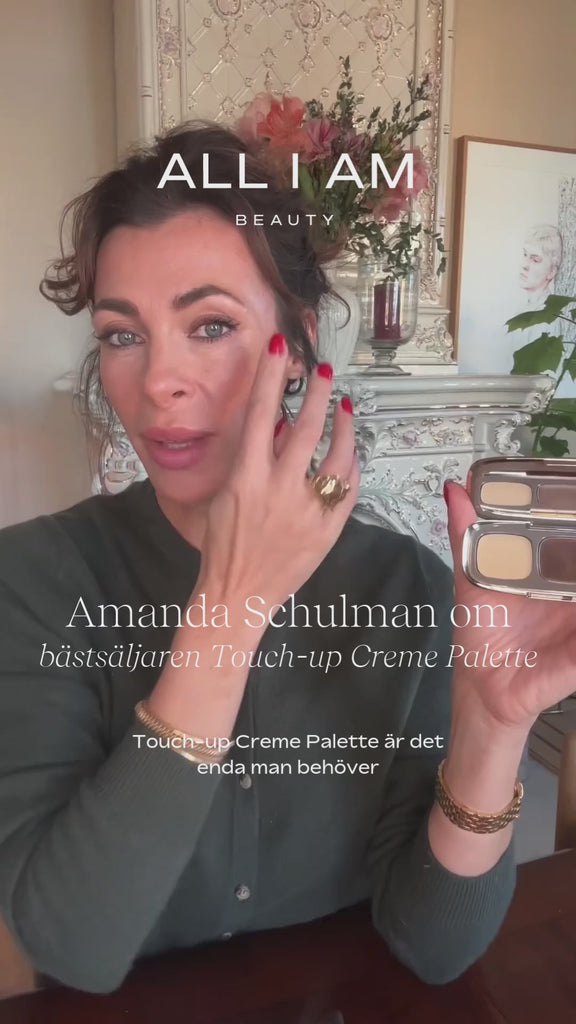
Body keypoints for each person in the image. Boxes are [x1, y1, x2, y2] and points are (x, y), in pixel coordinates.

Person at [1, 122, 575, 998]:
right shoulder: (33, 581)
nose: (157, 381)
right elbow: (72, 947)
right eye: (122, 335)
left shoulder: (405, 588)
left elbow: (435, 947)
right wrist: (229, 611)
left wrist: (493, 730)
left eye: (210, 324)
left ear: (297, 344)